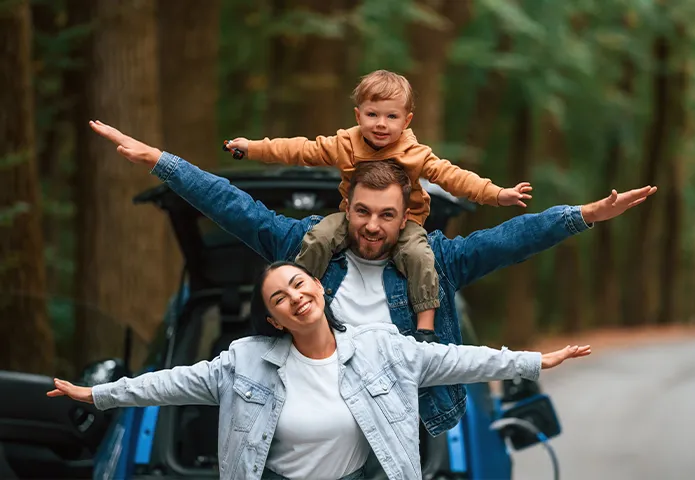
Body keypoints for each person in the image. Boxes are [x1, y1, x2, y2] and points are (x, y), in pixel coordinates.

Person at [88, 119, 656, 437]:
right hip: (300, 426)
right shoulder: (305, 251)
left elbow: (513, 238)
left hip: (398, 431)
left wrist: (583, 215)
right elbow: (231, 205)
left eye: (388, 215)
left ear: (407, 213)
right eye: (362, 212)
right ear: (347, 206)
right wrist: (162, 160)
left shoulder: (437, 259)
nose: (373, 226)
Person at [48, 261, 591, 480]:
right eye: (280, 298)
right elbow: (169, 383)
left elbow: (454, 359)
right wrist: (98, 396)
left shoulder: (382, 347)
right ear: (274, 319)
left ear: (319, 290)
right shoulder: (243, 362)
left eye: (300, 284)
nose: (295, 297)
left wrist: (536, 360)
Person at [224, 70, 533, 342]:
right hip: (352, 218)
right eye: (373, 115)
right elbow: (298, 150)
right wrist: (251, 147)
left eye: (391, 117)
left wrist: (497, 194)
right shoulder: (345, 144)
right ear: (358, 116)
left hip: (405, 221)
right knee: (318, 236)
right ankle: (310, 302)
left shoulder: (415, 154)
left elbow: (454, 178)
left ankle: (426, 326)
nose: (381, 124)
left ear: (406, 120)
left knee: (419, 255)